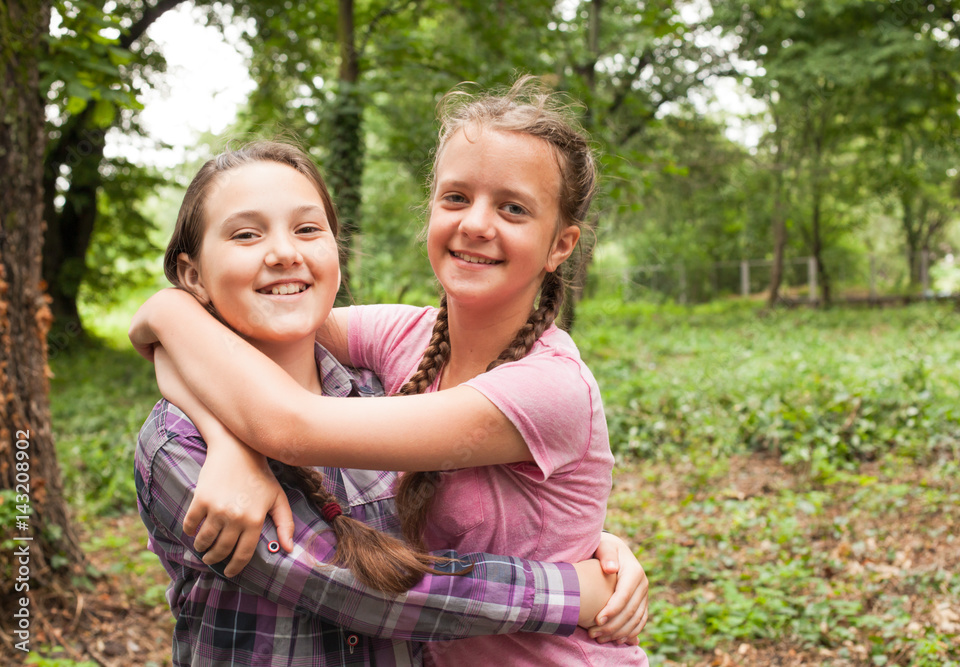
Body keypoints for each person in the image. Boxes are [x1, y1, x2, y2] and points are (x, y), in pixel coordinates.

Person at [131, 78, 649, 665]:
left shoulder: (547, 385)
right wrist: (213, 413)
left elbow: (287, 414)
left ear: (562, 245)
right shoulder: (401, 340)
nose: (477, 223)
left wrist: (167, 313)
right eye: (456, 198)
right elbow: (264, 323)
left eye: (513, 208)